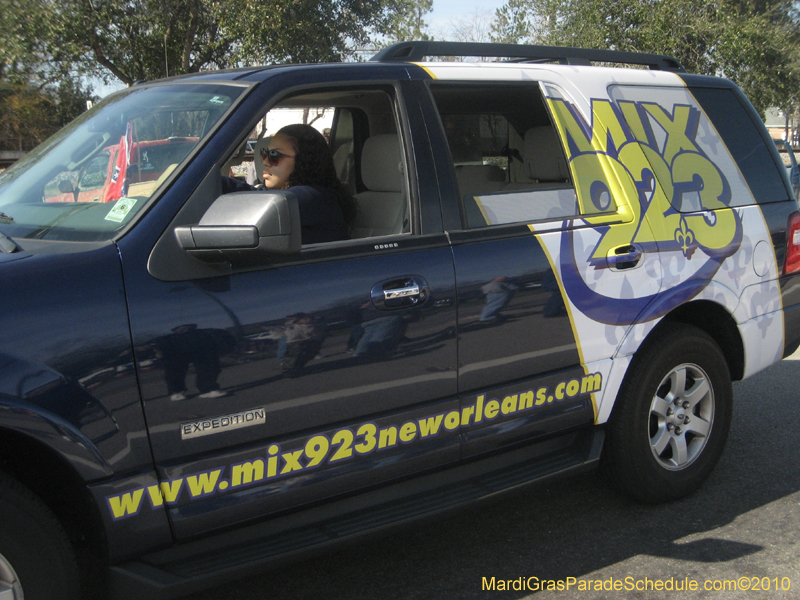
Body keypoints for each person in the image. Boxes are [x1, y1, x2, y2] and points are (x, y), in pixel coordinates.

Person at [259, 124, 356, 244]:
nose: (265, 162)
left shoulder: (312, 197)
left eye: (274, 155)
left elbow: (257, 204)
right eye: (264, 153)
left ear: (303, 160)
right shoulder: (314, 195)